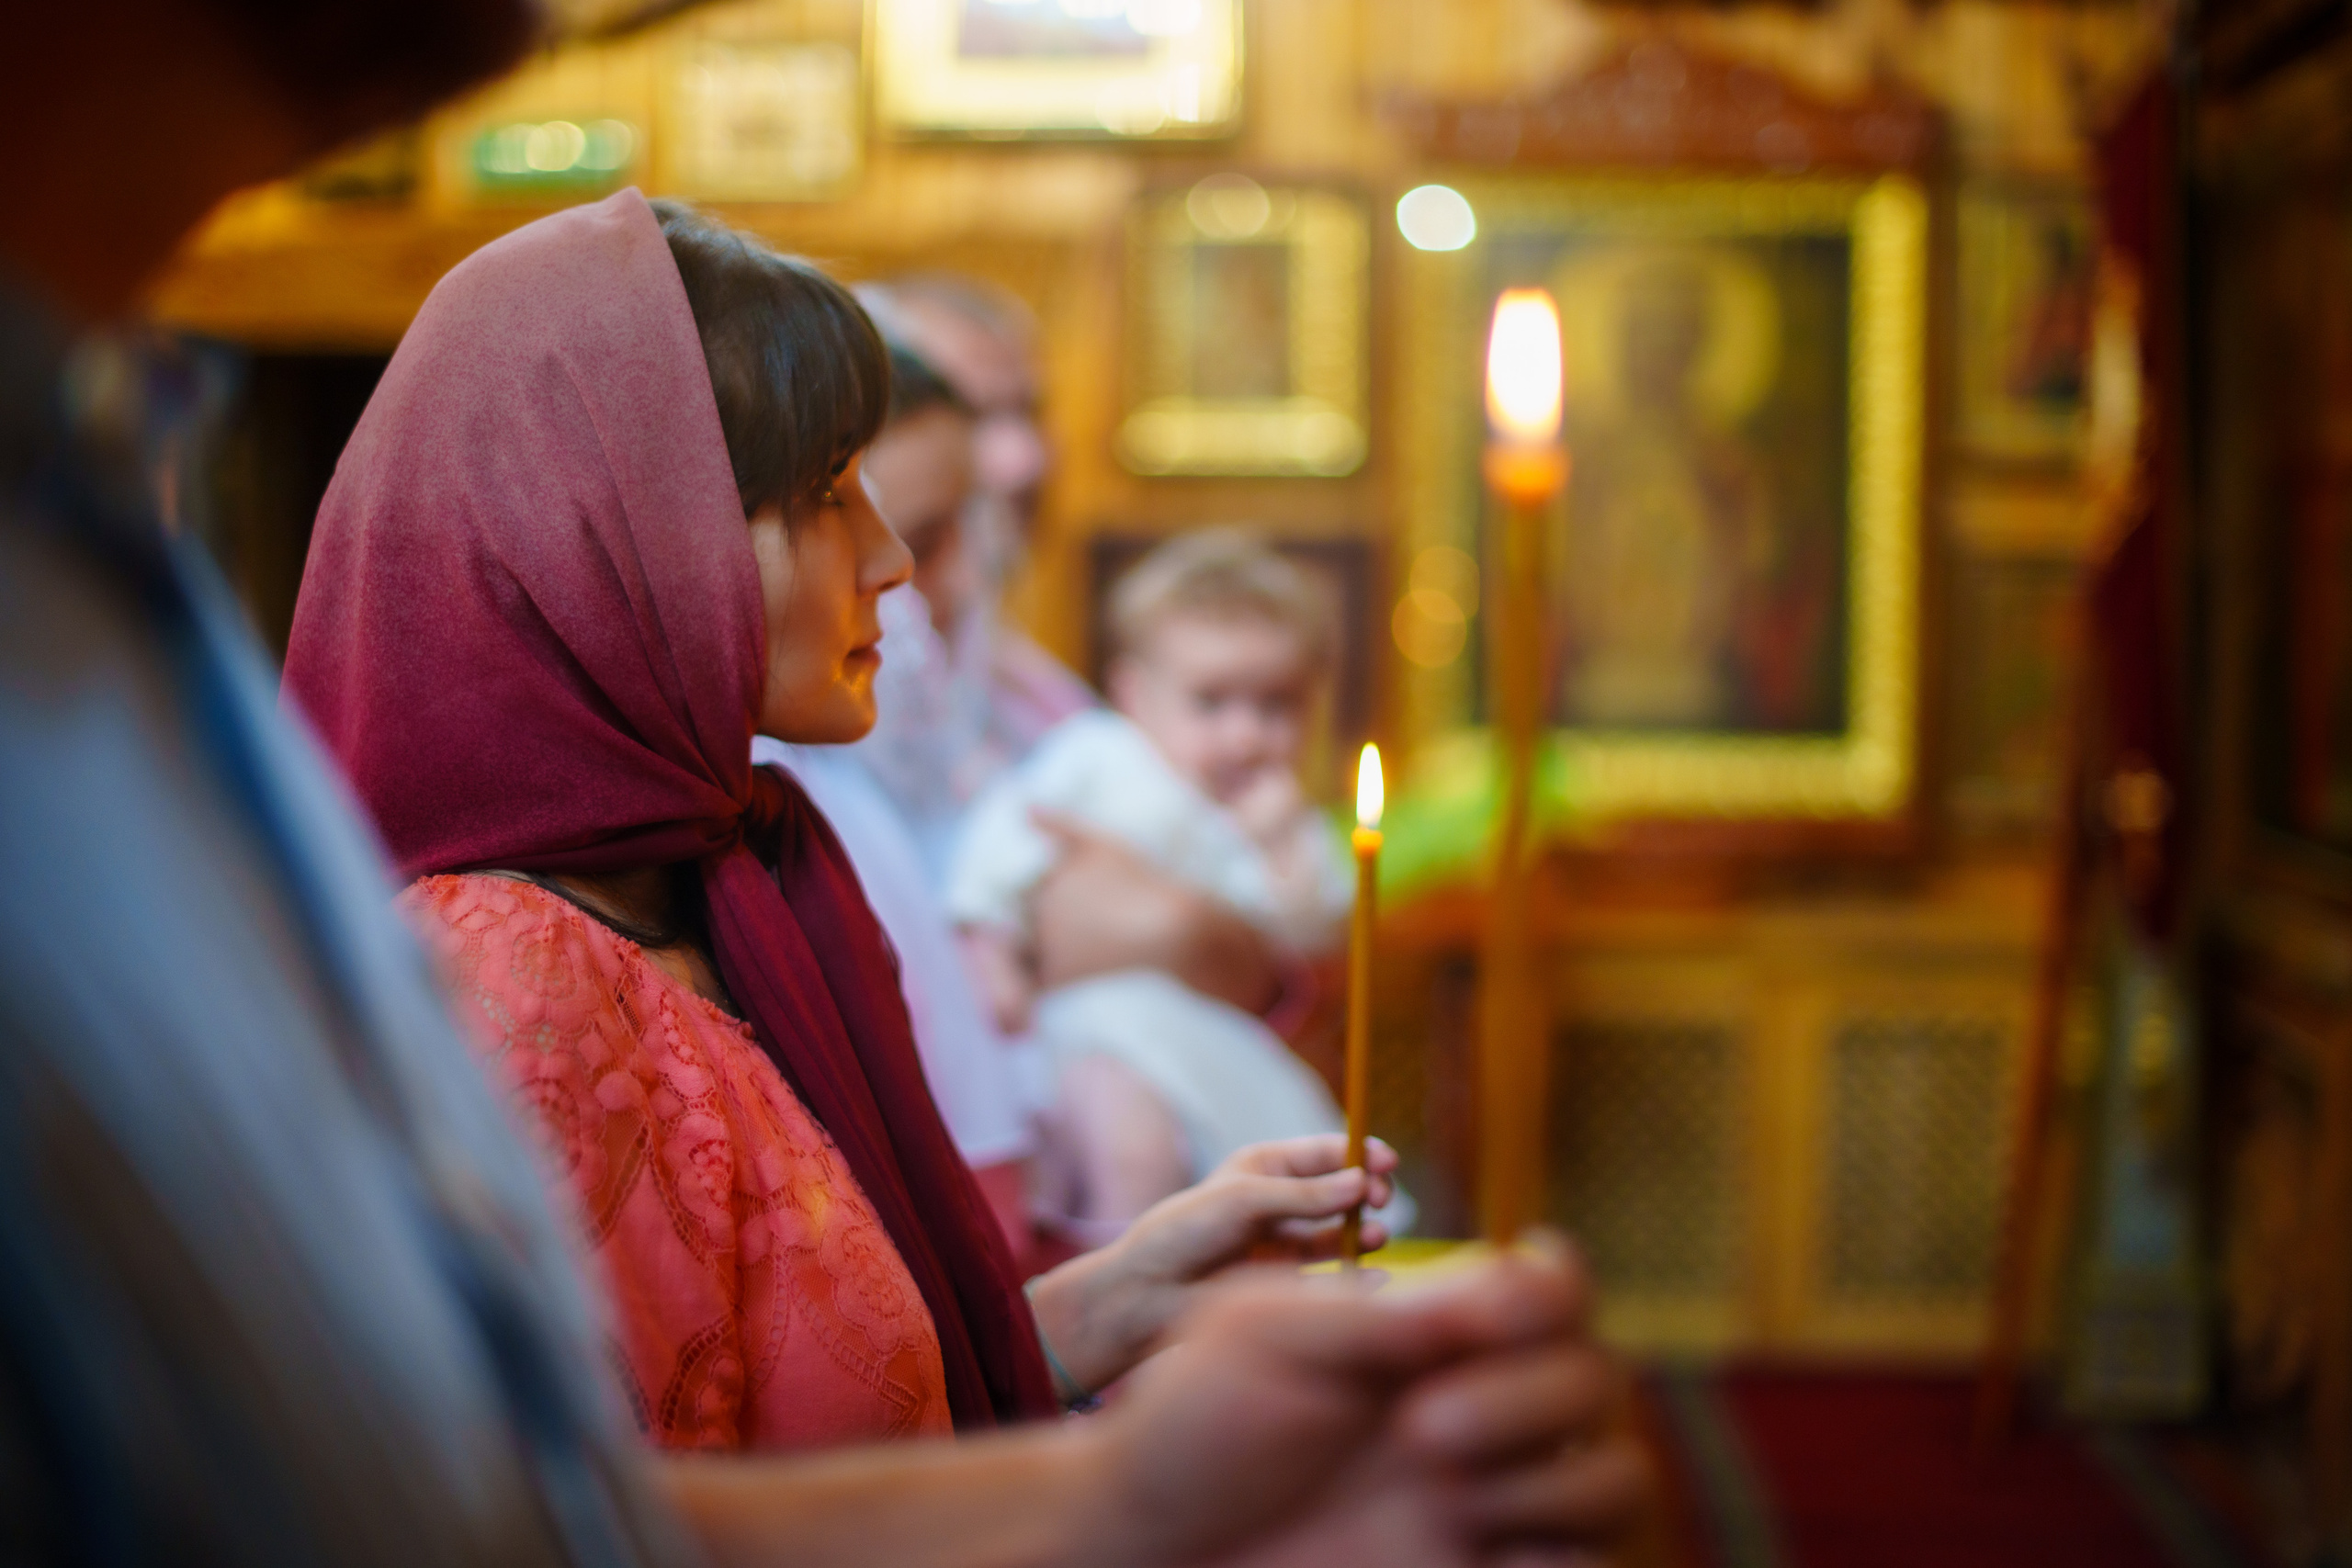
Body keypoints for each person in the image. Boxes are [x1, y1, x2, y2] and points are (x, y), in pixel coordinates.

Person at [0, 3, 1647, 1560]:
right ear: (621, 553)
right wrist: (1119, 1492)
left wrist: (1120, 1293)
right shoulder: (524, 976)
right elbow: (537, 1513)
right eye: (830, 494)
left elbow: (802, 1390)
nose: (896, 559)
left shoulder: (739, 877)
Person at [946, 531, 1398, 1236]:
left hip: (1206, 1039)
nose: (1245, 736)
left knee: (1254, 1177)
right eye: (1211, 703)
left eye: (1276, 706)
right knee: (1136, 1158)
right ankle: (1130, 1298)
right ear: (1135, 693)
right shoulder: (1100, 756)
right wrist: (991, 940)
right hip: (1095, 1026)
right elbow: (1008, 832)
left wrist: (1280, 843)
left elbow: (1315, 921)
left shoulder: (1274, 817)